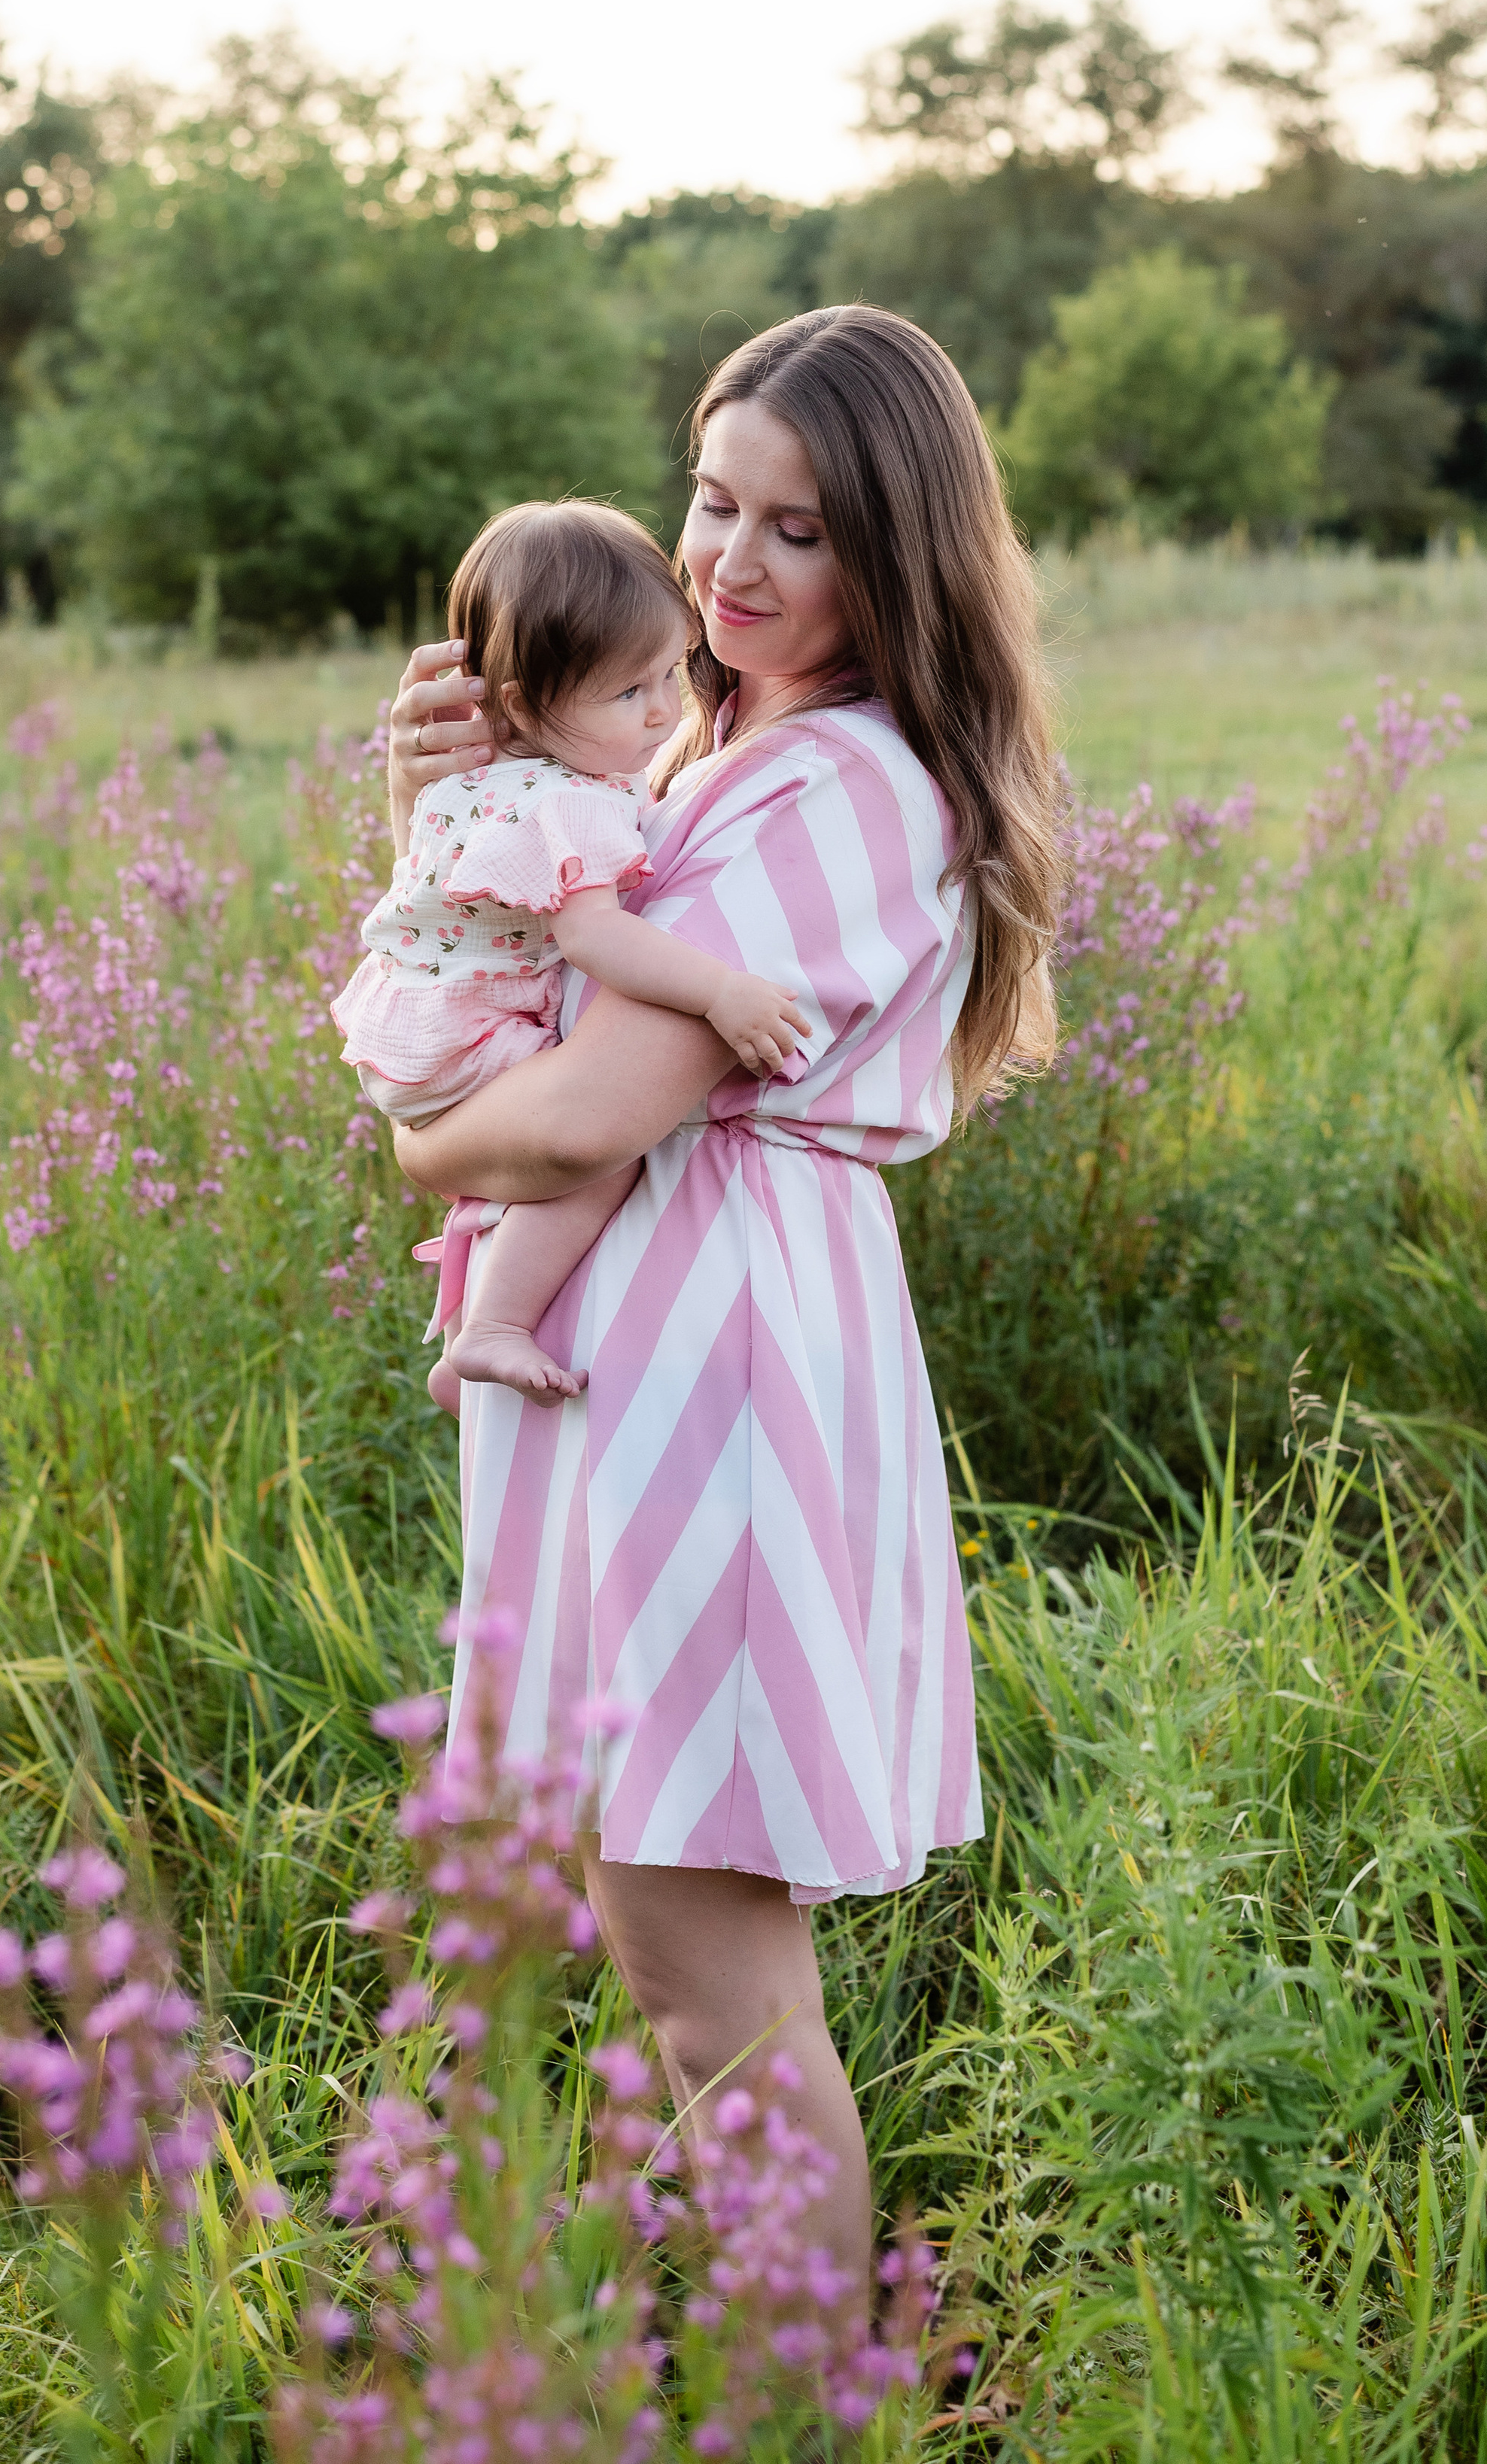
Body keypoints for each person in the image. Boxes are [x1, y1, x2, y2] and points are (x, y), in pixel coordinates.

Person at [386, 305, 1061, 2283]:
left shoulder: (836, 786)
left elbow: (576, 1106)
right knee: (673, 1961)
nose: (730, 565)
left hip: (719, 1382)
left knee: (713, 1992)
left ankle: (804, 2397)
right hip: (661, 1366)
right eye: (714, 500)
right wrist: (452, 821)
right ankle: (764, 2359)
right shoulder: (720, 740)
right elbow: (533, 983)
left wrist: (429, 1146)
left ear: (898, 555)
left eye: (803, 530)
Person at [331, 500, 805, 1411]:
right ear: (521, 703)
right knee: (607, 1156)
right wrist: (719, 993)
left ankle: (471, 1328)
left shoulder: (477, 778)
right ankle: (491, 1328)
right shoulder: (572, 799)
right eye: (630, 693)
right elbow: (591, 934)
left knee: (540, 1142)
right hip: (462, 1037)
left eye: (671, 672)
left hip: (416, 1025)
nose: (666, 708)